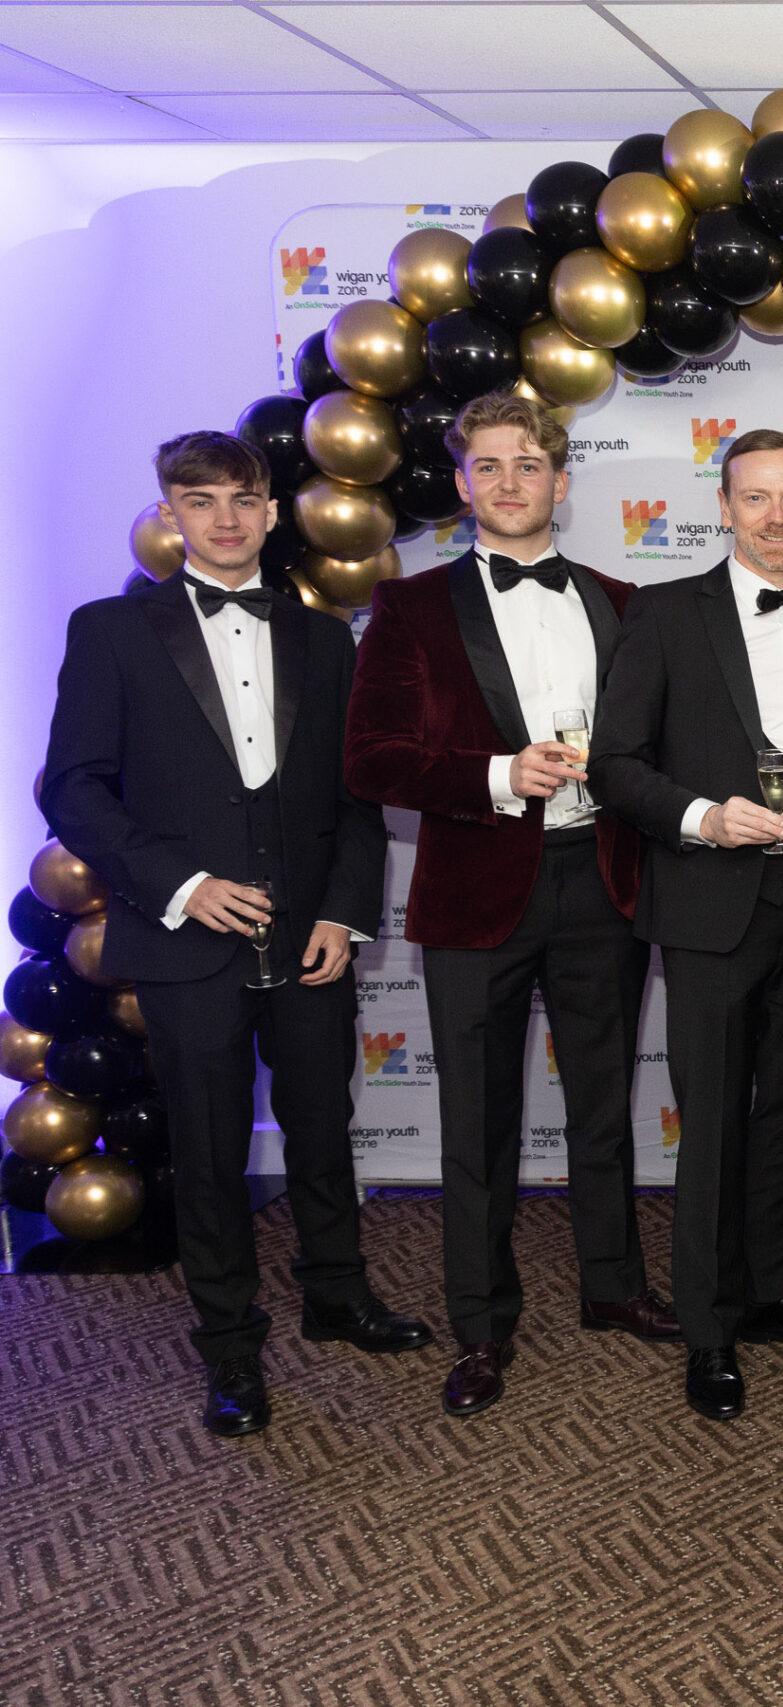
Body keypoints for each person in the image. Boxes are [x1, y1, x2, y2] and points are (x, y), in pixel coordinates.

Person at [41, 430, 418, 1438]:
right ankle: (231, 1348)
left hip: (309, 942)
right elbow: (72, 788)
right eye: (199, 499)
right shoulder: (111, 630)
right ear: (170, 513)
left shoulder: (326, 639)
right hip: (182, 939)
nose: (224, 518)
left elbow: (354, 799)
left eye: (243, 498)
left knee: (323, 1127)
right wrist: (182, 884)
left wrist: (341, 912)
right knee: (208, 1151)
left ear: (271, 511)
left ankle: (336, 1295)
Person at [344, 393, 672, 1419]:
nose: (510, 482)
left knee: (603, 1108)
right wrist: (496, 775)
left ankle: (613, 1285)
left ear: (561, 482)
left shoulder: (624, 601)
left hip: (603, 880)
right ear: (461, 484)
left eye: (528, 465)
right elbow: (371, 759)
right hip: (475, 889)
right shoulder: (410, 607)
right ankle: (482, 1326)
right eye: (488, 466)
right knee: (477, 1124)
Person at [589, 428, 783, 1421]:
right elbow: (613, 765)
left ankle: (771, 1288)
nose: (777, 518)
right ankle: (706, 1326)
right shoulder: (663, 614)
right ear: (725, 506)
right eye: (757, 498)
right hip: (707, 908)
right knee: (709, 1128)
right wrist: (703, 816)